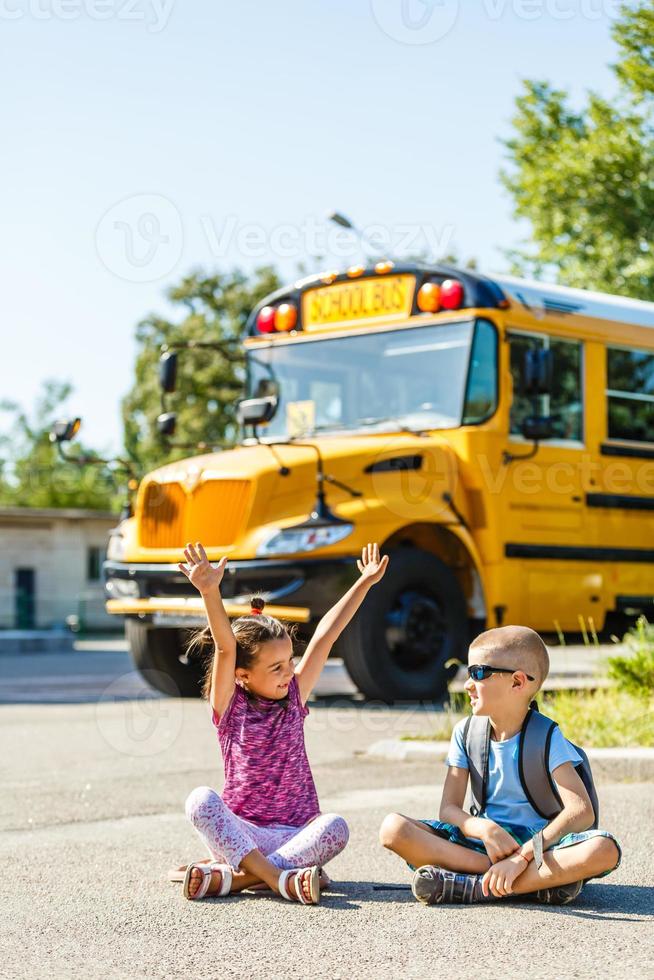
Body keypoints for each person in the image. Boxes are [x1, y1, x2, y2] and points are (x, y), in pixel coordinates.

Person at [179, 540, 389, 905]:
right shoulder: (230, 705)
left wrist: (364, 583)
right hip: (243, 835)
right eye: (276, 668)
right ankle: (280, 878)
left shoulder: (293, 697)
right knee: (200, 801)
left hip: (295, 835)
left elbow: (325, 636)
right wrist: (210, 592)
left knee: (336, 827)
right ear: (242, 676)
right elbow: (227, 647)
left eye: (290, 661)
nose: (289, 672)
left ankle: (241, 878)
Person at [379, 625, 621, 905]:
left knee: (604, 849)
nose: (468, 684)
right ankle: (532, 884)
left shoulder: (547, 737)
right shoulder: (465, 732)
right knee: (392, 829)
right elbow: (448, 809)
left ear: (518, 682)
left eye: (478, 673)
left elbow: (581, 812)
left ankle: (475, 886)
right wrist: (482, 828)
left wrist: (523, 856)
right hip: (482, 847)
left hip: (540, 847)